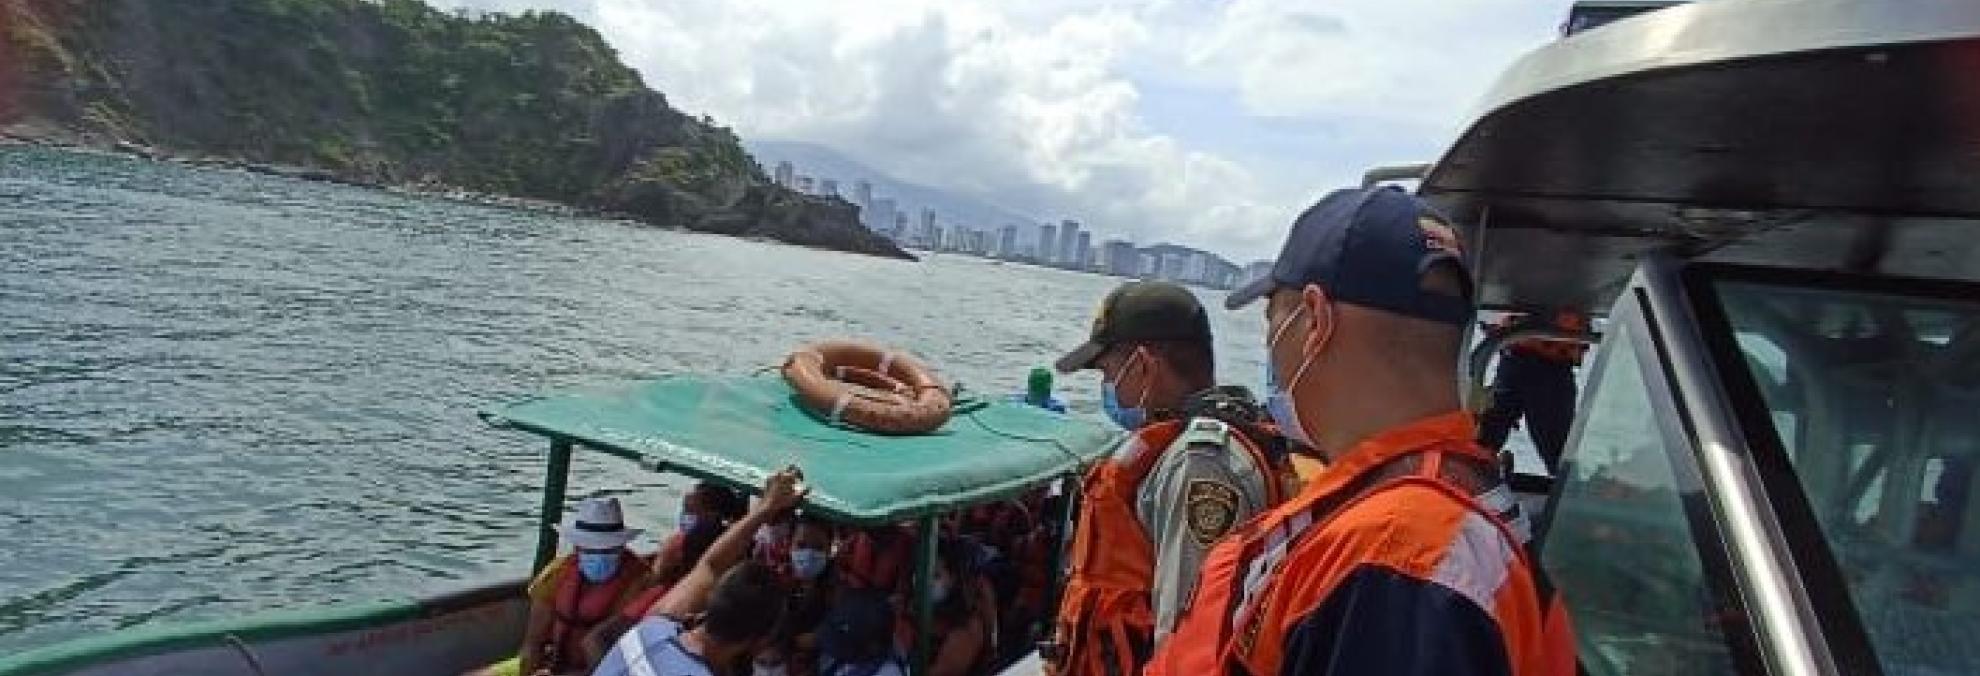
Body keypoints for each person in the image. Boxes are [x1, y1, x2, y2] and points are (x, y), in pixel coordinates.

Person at [1147, 186, 1575, 676]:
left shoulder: (1398, 560)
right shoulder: (1425, 511)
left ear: (1314, 321)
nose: (1269, 344)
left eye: (1271, 318)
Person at [1045, 280, 1287, 676]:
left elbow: (1188, 638)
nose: (1108, 388)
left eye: (1107, 372)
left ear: (1143, 364)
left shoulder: (1200, 466)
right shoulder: (1172, 452)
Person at [593, 468, 806, 676]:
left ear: (708, 605)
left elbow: (710, 567)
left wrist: (765, 507)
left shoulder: (652, 630)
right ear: (760, 641)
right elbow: (710, 568)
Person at [515, 497, 651, 676]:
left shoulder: (640, 580)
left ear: (622, 546)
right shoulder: (558, 573)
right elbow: (532, 643)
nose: (600, 556)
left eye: (608, 550)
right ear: (577, 547)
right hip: (553, 662)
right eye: (591, 549)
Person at [1476, 309, 1589, 472]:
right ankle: (1484, 470)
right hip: (1517, 354)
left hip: (1550, 366)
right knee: (1487, 437)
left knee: (1558, 454)